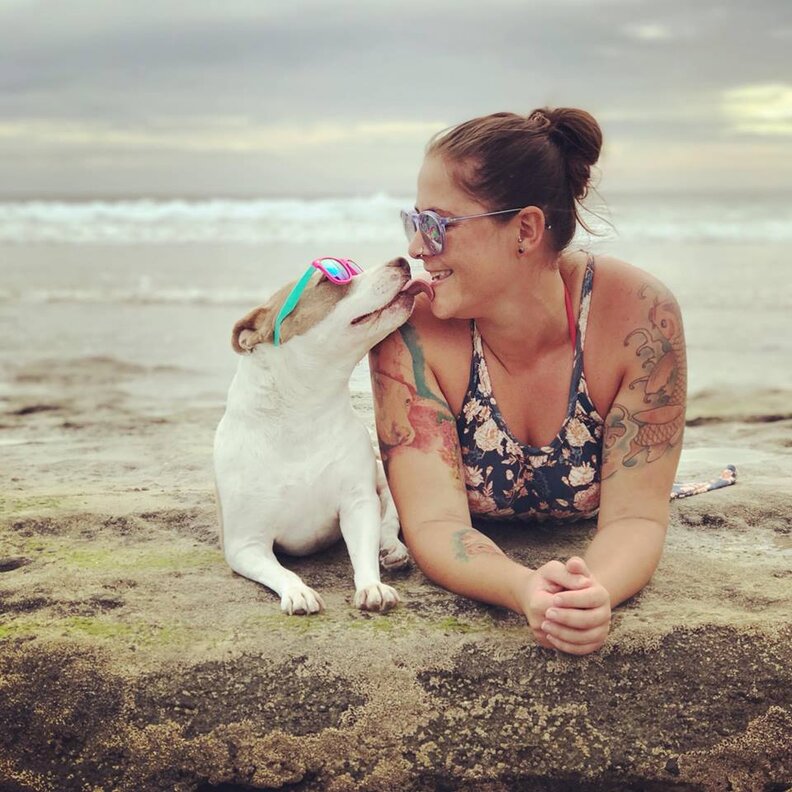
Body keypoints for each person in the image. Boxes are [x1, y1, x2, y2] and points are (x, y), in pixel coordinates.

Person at [369, 108, 687, 655]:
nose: (418, 250)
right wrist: (525, 590)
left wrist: (592, 595)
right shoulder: (410, 332)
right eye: (413, 222)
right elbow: (435, 522)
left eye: (437, 225)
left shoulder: (638, 318)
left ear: (525, 230)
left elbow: (636, 515)